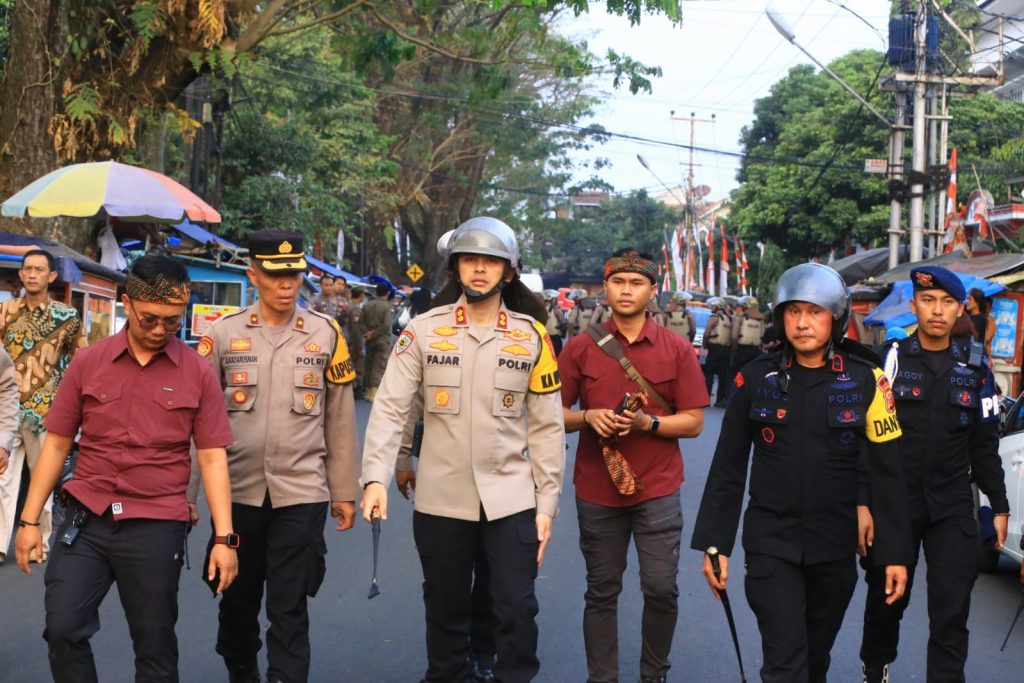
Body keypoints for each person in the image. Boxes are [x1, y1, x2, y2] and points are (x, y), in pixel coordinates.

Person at [14, 254, 238, 683]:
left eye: (172, 322)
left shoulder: (198, 373)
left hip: (156, 523)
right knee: (62, 629)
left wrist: (225, 539)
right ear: (127, 303)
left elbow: (211, 457)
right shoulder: (88, 362)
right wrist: (28, 520)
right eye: (150, 319)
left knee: (154, 647)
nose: (160, 330)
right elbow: (58, 442)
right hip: (87, 518)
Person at [361, 216, 565, 683]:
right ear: (456, 268)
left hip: (511, 498)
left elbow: (547, 427)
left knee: (516, 606)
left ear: (508, 272)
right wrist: (376, 477)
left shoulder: (531, 337)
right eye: (470, 260)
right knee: (446, 609)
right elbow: (392, 409)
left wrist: (547, 503)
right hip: (441, 497)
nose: (479, 270)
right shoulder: (423, 332)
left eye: (490, 262)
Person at [691, 262, 911, 683]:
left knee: (815, 662)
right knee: (784, 664)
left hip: (834, 546)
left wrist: (896, 554)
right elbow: (727, 468)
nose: (803, 323)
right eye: (793, 312)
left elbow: (888, 474)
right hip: (771, 544)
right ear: (780, 317)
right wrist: (715, 545)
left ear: (836, 318)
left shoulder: (869, 380)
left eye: (815, 312)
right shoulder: (755, 377)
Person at [193, 230, 360, 683]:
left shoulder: (326, 334)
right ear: (253, 275)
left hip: (302, 492)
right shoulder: (223, 334)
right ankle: (241, 668)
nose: (286, 284)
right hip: (237, 493)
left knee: (289, 603)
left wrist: (345, 491)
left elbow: (340, 420)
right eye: (275, 274)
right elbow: (198, 425)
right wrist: (188, 496)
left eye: (293, 274)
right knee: (239, 598)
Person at [558, 248, 708, 683]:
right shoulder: (581, 348)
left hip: (657, 488)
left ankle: (653, 673)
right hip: (596, 488)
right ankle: (601, 678)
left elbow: (695, 421)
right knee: (601, 591)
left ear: (652, 291)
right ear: (606, 288)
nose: (626, 290)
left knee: (661, 588)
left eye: (636, 283)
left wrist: (649, 422)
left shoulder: (676, 348)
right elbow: (549, 412)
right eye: (618, 282)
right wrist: (587, 416)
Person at [859, 266, 1008, 683]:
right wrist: (864, 502)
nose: (937, 311)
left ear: (960, 308)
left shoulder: (975, 367)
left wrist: (999, 504)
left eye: (946, 303)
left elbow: (985, 444)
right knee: (886, 599)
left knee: (952, 607)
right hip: (896, 500)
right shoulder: (891, 359)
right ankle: (875, 667)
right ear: (914, 306)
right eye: (928, 301)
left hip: (952, 500)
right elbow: (868, 439)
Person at [0, 249, 86, 564]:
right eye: (28, 269)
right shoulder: (3, 312)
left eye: (40, 269)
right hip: (6, 410)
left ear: (51, 276)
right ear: (21, 275)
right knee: (2, 480)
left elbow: (81, 359)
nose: (33, 274)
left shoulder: (68, 317)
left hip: (48, 411)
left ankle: (40, 542)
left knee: (43, 480)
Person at [359, 282, 394, 402]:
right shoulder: (387, 307)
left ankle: (367, 391)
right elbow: (386, 325)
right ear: (388, 293)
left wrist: (367, 334)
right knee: (379, 365)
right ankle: (374, 392)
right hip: (382, 340)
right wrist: (374, 333)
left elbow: (361, 322)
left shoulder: (367, 305)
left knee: (369, 364)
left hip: (369, 340)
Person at [702, 296, 733, 406]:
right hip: (726, 349)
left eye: (713, 306)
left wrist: (704, 344)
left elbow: (706, 333)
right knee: (722, 375)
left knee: (709, 373)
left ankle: (706, 398)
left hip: (714, 348)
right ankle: (720, 400)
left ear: (717, 306)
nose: (712, 308)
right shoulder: (729, 319)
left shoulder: (714, 317)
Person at [728, 294, 765, 377]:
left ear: (745, 306)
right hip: (755, 351)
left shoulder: (740, 317)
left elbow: (734, 336)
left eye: (741, 306)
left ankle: (737, 389)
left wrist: (734, 347)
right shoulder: (761, 320)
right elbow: (762, 335)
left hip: (741, 350)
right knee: (751, 375)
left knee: (737, 374)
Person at [345, 288, 366, 399]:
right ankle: (355, 388)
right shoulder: (356, 309)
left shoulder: (347, 305)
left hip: (347, 340)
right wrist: (360, 346)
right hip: (354, 342)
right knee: (357, 366)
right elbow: (357, 329)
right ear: (361, 295)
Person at [965, 287, 994, 354]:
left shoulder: (983, 319)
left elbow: (983, 339)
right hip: (964, 351)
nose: (967, 302)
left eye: (969, 299)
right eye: (967, 299)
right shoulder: (965, 317)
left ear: (977, 302)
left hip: (975, 353)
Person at [542, 290, 567, 356]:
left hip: (544, 336)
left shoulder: (541, 309)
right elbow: (563, 323)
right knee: (557, 355)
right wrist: (563, 334)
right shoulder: (556, 310)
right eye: (554, 299)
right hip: (555, 337)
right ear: (551, 299)